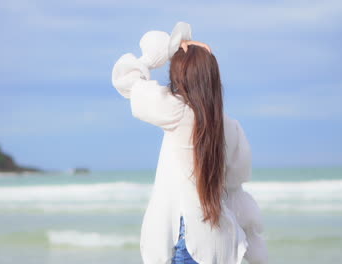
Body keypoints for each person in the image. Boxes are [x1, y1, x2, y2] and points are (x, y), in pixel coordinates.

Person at [111, 22, 268, 264]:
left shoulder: (176, 111)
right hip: (219, 242)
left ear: (180, 80)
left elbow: (126, 79)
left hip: (188, 243)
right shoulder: (231, 128)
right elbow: (235, 194)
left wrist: (158, 55)